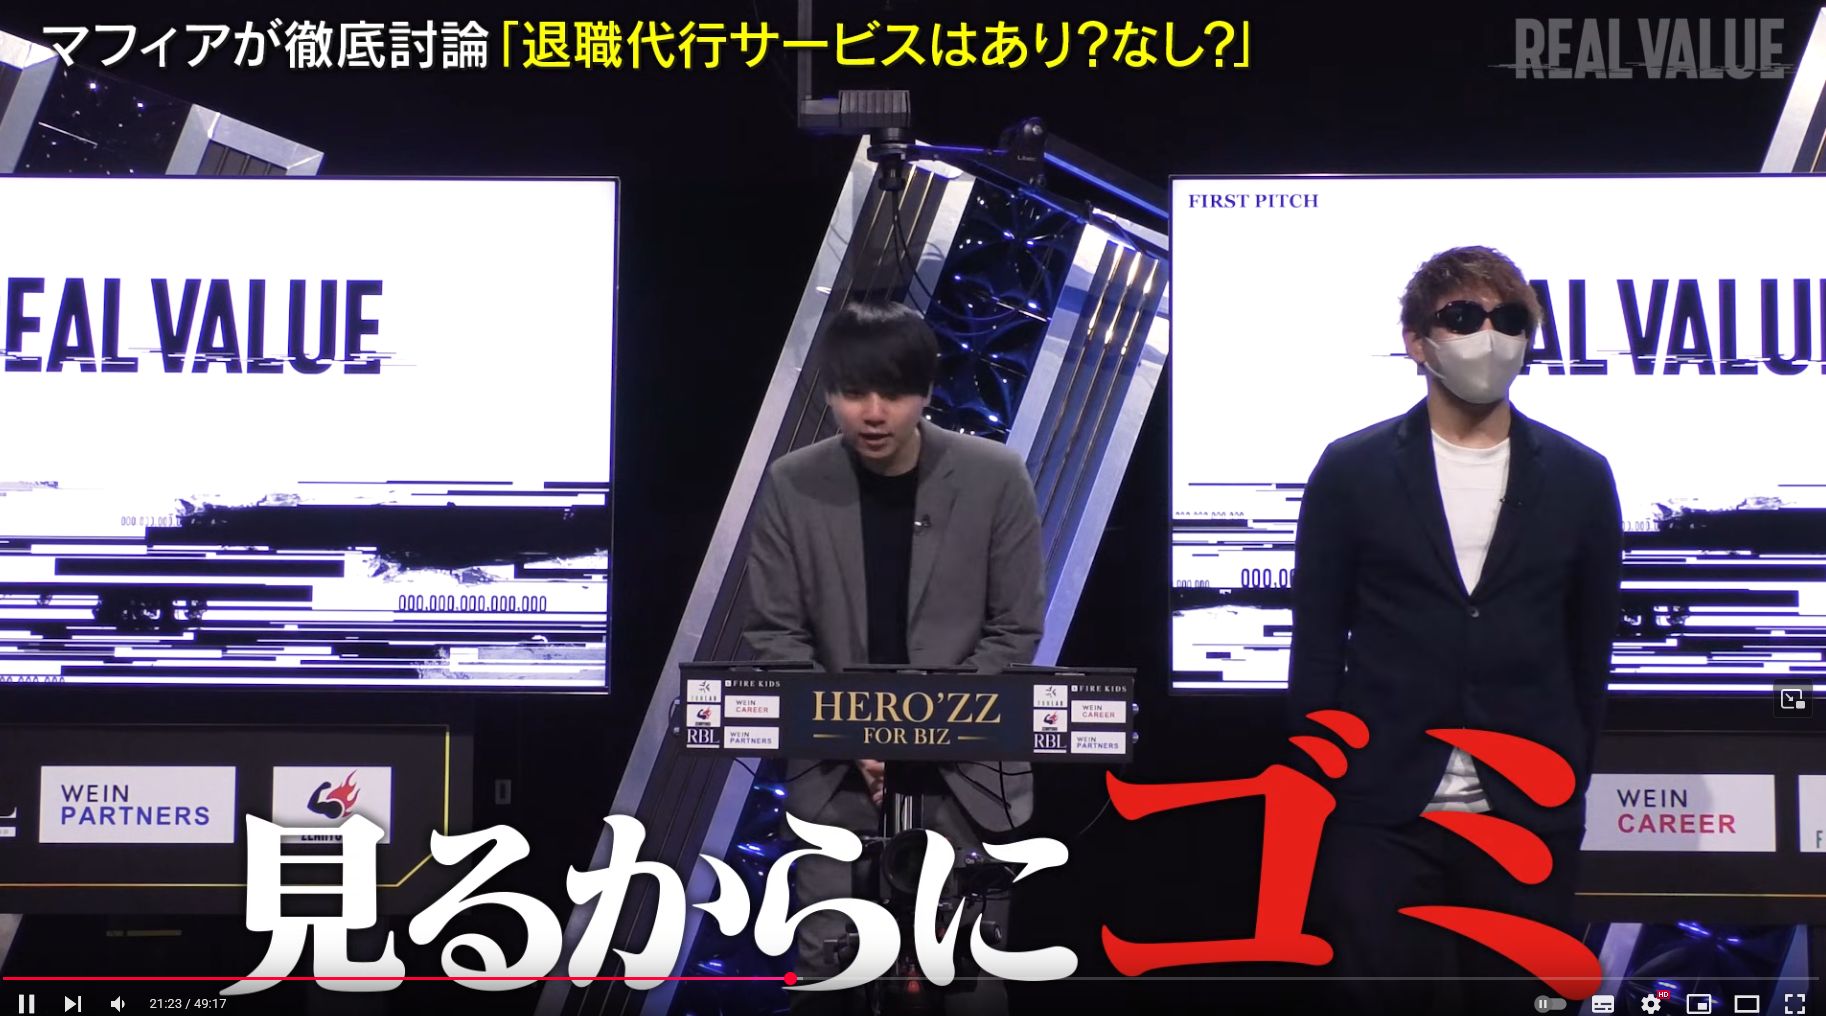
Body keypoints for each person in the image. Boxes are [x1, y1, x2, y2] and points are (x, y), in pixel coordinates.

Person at [1287, 246, 1623, 1014]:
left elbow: (1589, 652)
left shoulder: (1581, 476)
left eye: (1509, 319)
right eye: (1464, 318)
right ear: (1418, 341)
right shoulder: (1352, 469)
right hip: (1379, 810)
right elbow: (1317, 645)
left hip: (1527, 814)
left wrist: (1565, 777)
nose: (1489, 338)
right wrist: (1327, 783)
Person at [742, 300, 1047, 1015]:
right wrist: (861, 739)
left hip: (969, 774)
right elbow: (776, 635)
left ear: (927, 392)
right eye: (854, 393)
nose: (874, 413)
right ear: (829, 393)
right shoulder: (793, 482)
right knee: (829, 973)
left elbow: (1015, 630)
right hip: (836, 777)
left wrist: (919, 736)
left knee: (967, 978)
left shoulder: (996, 476)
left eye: (894, 393)